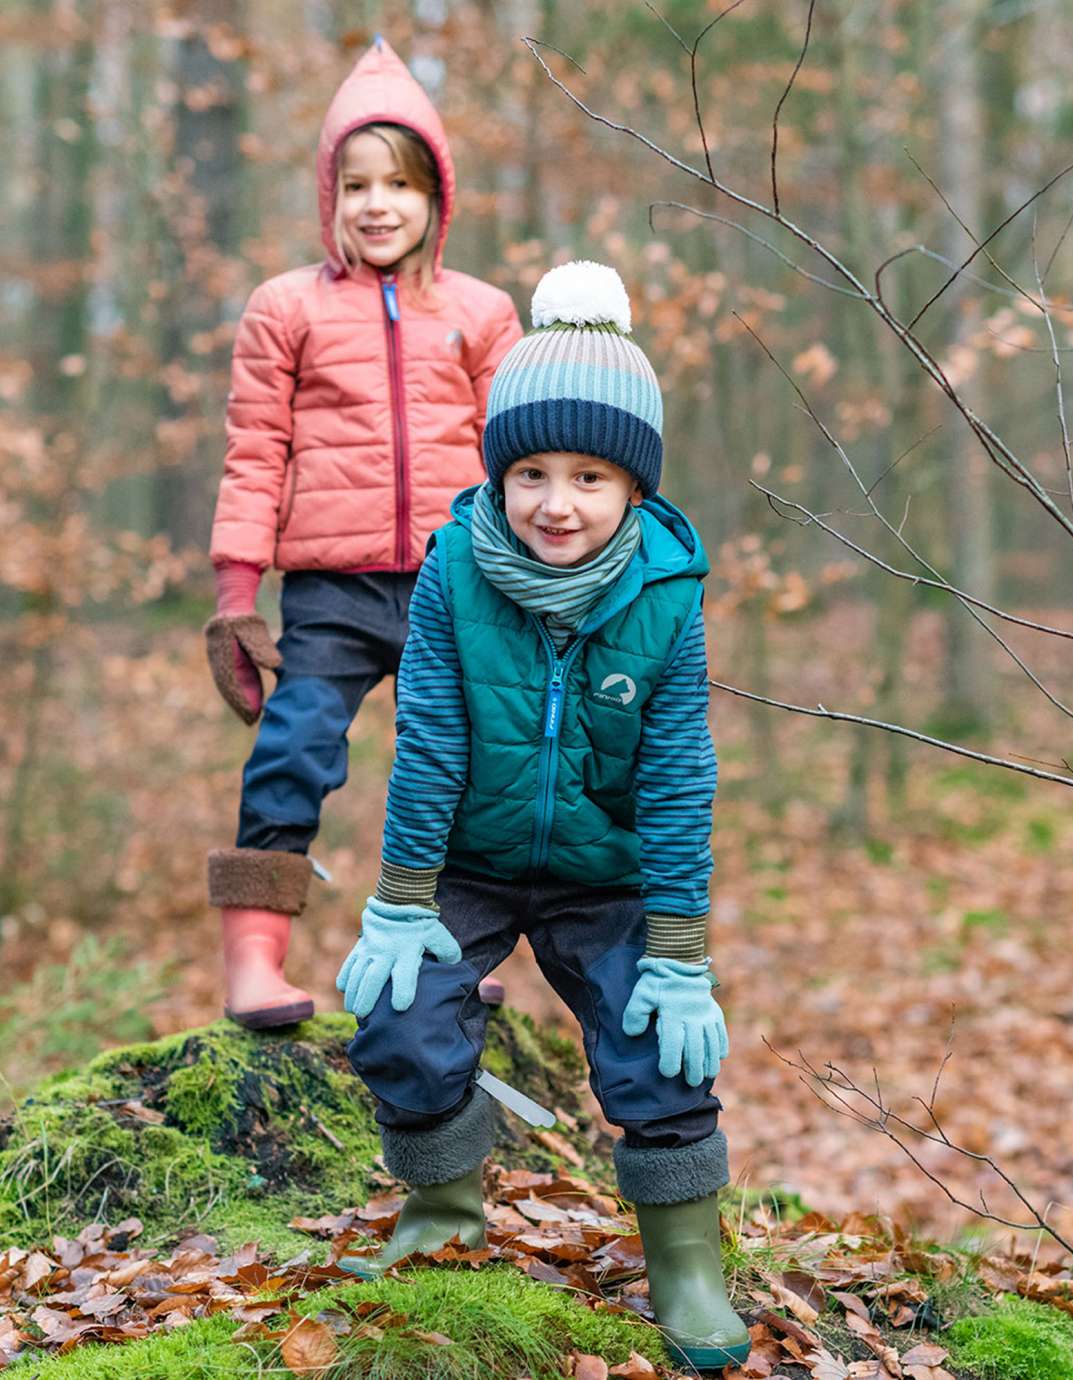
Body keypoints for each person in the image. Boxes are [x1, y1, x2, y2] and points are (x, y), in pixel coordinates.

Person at [334, 261, 751, 1372]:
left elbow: (677, 777)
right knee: (403, 1018)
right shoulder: (456, 572)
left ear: (635, 490)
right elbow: (429, 741)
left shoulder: (664, 596)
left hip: (605, 872)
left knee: (656, 1044)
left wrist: (678, 952)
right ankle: (440, 1218)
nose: (554, 503)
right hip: (466, 859)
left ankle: (685, 1266)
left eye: (588, 476)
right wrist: (400, 901)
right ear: (498, 472)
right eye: (528, 471)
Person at [204, 36, 522, 1029]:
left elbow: (518, 459)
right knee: (294, 750)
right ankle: (256, 961)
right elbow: (255, 453)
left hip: (458, 585)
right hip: (332, 593)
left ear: (437, 198)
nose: (378, 204)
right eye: (356, 185)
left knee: (471, 770)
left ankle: (447, 957)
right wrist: (233, 600)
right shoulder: (285, 309)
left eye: (400, 184)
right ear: (327, 198)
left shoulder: (482, 313)